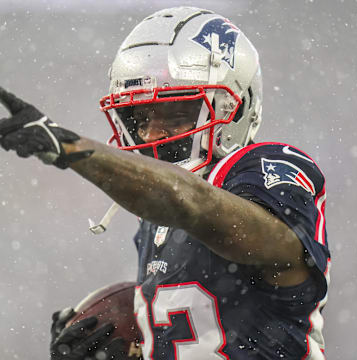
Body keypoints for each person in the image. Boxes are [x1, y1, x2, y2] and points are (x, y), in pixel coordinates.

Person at [0, 6, 330, 360]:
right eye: (140, 118)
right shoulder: (156, 213)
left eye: (176, 114)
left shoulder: (268, 166)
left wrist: (74, 148)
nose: (154, 133)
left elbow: (196, 205)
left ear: (233, 108)